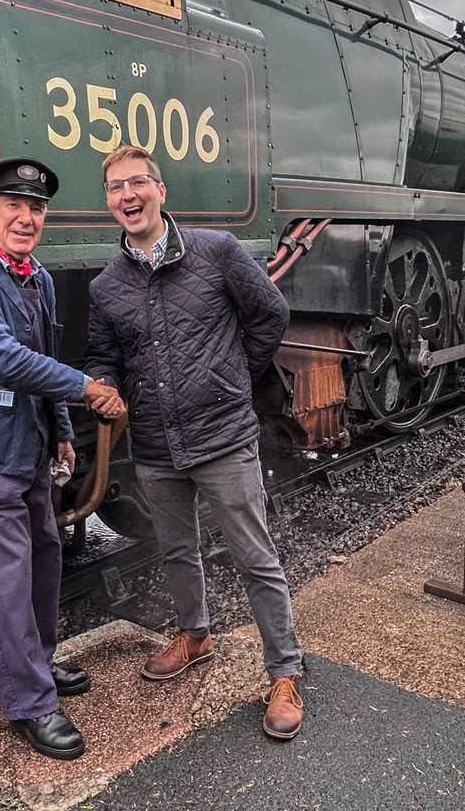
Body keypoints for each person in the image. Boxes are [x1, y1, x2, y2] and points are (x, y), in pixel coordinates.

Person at [83, 145, 305, 740]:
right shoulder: (107, 287)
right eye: (114, 188)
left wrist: (232, 376)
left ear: (161, 190)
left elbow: (270, 315)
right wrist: (102, 384)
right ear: (108, 202)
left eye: (137, 184)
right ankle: (196, 634)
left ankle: (284, 671)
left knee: (255, 557)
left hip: (223, 437)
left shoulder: (218, 252)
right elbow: (104, 357)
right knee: (177, 550)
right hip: (156, 445)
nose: (127, 196)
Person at [0, 157, 124, 760]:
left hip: (34, 446)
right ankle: (29, 703)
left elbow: (41, 354)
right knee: (5, 581)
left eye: (36, 208)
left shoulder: (36, 279)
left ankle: (38, 667)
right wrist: (87, 389)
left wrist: (63, 426)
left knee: (45, 561)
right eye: (13, 206)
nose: (26, 217)